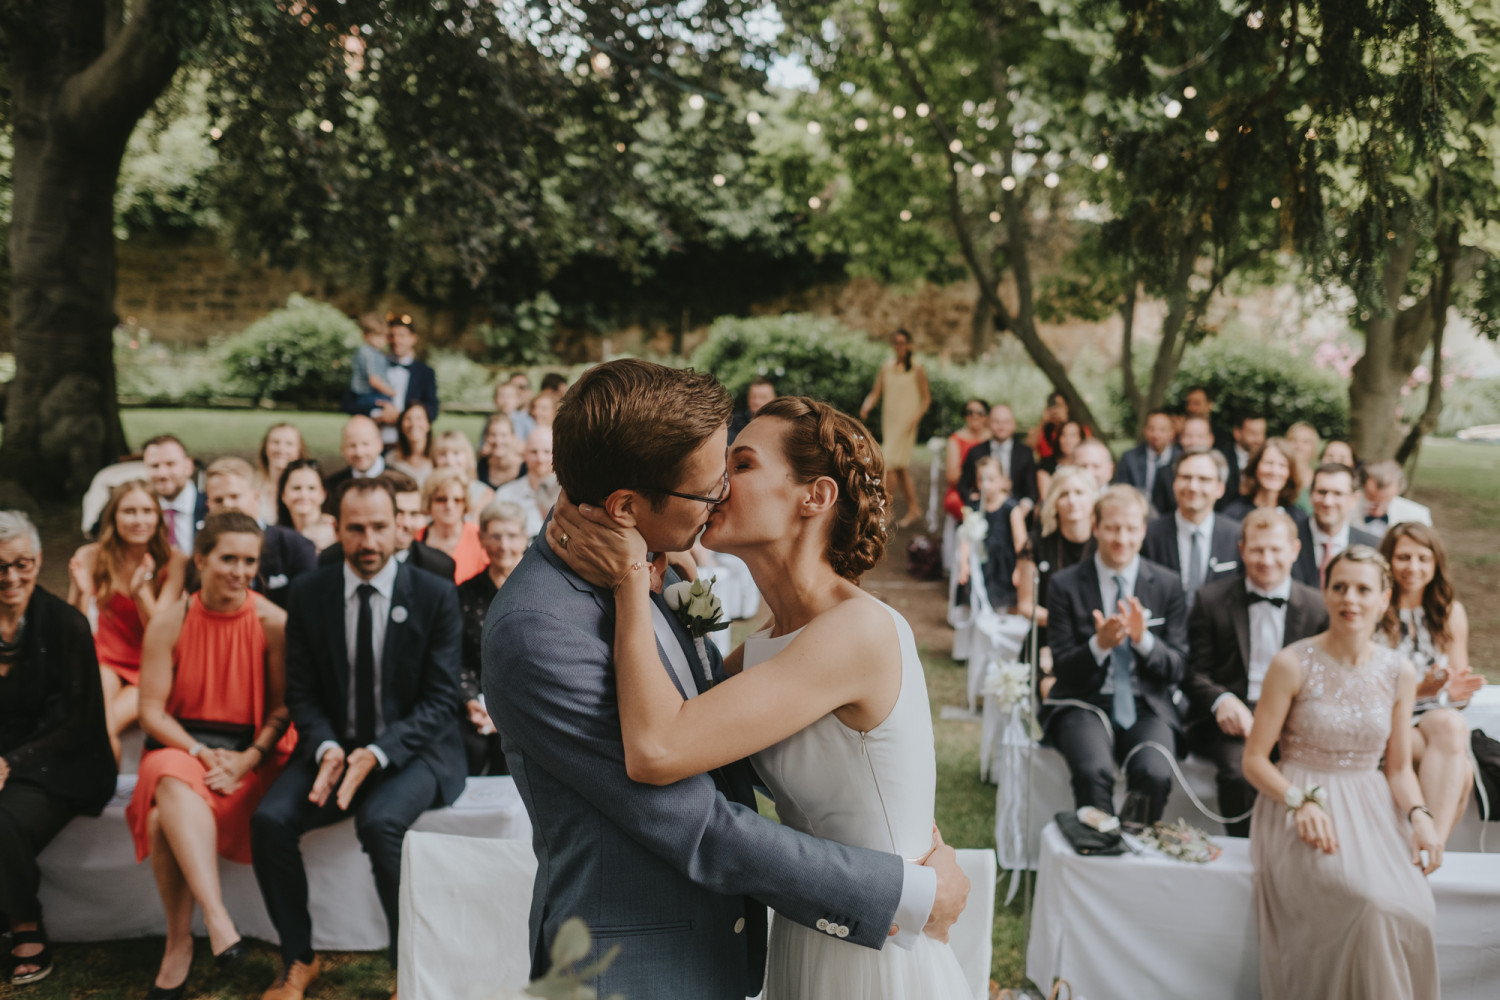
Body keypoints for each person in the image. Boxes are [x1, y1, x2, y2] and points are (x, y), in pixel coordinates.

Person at [485, 360, 968, 999]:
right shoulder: (540, 628)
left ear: (814, 496)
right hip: (635, 970)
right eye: (718, 472)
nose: (720, 489)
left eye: (739, 466)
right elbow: (694, 803)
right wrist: (906, 894)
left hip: (858, 948)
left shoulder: (671, 576)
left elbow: (702, 716)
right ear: (627, 506)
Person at [251, 477, 466, 1000]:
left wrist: (378, 753)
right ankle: (299, 958)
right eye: (355, 529)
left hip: (417, 750)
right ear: (337, 530)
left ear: (400, 528)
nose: (368, 541)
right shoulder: (309, 594)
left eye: (378, 527)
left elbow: (441, 701)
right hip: (334, 748)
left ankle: (407, 969)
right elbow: (301, 694)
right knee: (269, 821)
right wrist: (326, 748)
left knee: (380, 821)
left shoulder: (435, 593)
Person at [1244, 546, 1441, 1000]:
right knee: (1367, 903)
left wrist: (1420, 815)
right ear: (1325, 594)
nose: (1349, 598)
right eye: (1339, 587)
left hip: (1372, 804)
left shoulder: (1399, 671)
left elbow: (1397, 768)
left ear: (1385, 598)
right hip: (1299, 802)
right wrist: (1300, 801)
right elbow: (1254, 760)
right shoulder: (1292, 663)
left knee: (1416, 909)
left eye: (1362, 589)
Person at [127, 513, 291, 999]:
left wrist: (248, 758)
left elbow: (283, 709)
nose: (239, 571)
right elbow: (150, 711)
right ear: (201, 559)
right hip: (180, 746)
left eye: (249, 560)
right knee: (171, 776)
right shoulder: (169, 619)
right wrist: (198, 751)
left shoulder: (272, 622)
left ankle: (179, 943)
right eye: (227, 559)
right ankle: (218, 921)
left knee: (162, 821)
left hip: (245, 758)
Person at [0, 512, 116, 988]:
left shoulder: (66, 624)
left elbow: (77, 721)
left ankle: (25, 924)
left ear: (38, 561)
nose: (10, 577)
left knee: (3, 819)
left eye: (21, 564)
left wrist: (12, 762)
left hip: (64, 763)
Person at [1043, 485, 1189, 823]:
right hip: (1084, 701)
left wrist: (1143, 640)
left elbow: (1178, 666)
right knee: (1093, 770)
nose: (1121, 538)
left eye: (1130, 528)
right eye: (1111, 528)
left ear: (1143, 530)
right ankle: (1098, 845)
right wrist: (1100, 645)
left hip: (1147, 704)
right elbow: (1062, 669)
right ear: (1095, 528)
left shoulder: (1167, 584)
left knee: (1154, 771)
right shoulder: (1064, 584)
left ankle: (1132, 843)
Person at [1183, 510, 1327, 836]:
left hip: (1296, 718)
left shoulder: (1318, 608)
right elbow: (1194, 673)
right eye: (1257, 549)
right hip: (1234, 720)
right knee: (1238, 772)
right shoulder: (1211, 600)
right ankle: (1249, 851)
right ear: (1242, 549)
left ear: (1294, 550)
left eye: (1276, 550)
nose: (1266, 559)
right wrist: (1221, 700)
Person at [68, 480, 189, 760]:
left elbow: (158, 631)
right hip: (107, 658)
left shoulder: (175, 560)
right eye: (129, 511)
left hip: (152, 665)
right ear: (114, 516)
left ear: (158, 517)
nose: (139, 520)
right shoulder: (91, 556)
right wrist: (84, 592)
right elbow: (72, 626)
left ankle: (99, 793)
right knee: (91, 712)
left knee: (104, 725)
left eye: (147, 511)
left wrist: (140, 592)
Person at [1380, 522, 1483, 844]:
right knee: (1462, 772)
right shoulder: (1375, 607)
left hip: (1433, 721)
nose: (1413, 567)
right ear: (1388, 561)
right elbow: (1362, 687)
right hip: (1384, 718)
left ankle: (1426, 846)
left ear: (1435, 563)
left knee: (1451, 725)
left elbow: (1459, 694)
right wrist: (1419, 690)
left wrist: (1452, 694)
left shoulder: (1450, 612)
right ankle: (1429, 849)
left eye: (1423, 558)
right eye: (1403, 557)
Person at [455, 501, 527, 776]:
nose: (504, 545)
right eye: (495, 536)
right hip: (480, 705)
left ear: (524, 538)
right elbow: (457, 657)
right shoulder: (465, 593)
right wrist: (471, 701)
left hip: (531, 702)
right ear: (481, 539)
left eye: (511, 536)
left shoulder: (540, 586)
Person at [204, 459, 318, 608]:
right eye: (218, 500)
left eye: (234, 497)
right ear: (209, 505)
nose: (227, 505)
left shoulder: (296, 546)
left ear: (256, 497)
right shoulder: (203, 551)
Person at [1141, 449, 1241, 609]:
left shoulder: (1237, 535)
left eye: (1204, 479)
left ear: (1220, 489)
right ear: (1174, 483)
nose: (1193, 486)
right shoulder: (1150, 535)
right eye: (1186, 477)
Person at [1015, 467, 1100, 652]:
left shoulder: (1104, 544)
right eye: (1064, 494)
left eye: (1079, 493)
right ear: (1054, 501)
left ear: (1093, 498)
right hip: (1047, 638)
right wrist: (1066, 622)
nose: (1072, 501)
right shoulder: (1035, 545)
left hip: (1097, 637)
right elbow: (1025, 606)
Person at [315, 471, 457, 581]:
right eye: (399, 513)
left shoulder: (438, 567)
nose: (407, 523)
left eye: (413, 514)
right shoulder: (333, 559)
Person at [859, 329, 930, 529]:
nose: (900, 346)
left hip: (906, 425)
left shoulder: (917, 368)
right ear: (893, 345)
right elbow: (875, 393)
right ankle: (914, 508)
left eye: (903, 343)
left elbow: (926, 399)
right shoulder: (886, 367)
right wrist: (867, 406)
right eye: (896, 343)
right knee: (900, 467)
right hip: (890, 423)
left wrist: (915, 419)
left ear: (909, 345)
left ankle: (885, 511)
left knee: (889, 464)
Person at [1294, 462, 1381, 588]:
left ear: (1354, 499)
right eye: (1322, 492)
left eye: (1338, 494)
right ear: (1311, 494)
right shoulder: (1289, 537)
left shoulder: (1372, 547)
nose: (1328, 502)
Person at [954, 458, 1023, 612]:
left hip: (1004, 566)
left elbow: (1021, 542)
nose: (985, 485)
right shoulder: (974, 507)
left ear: (1003, 481)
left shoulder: (1011, 509)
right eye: (981, 480)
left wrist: (1019, 569)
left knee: (1001, 608)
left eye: (991, 480)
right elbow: (966, 537)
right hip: (980, 564)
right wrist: (964, 562)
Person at [1221, 437, 1310, 533]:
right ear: (1255, 467)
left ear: (1290, 473)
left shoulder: (1299, 518)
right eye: (1269, 463)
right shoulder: (1233, 514)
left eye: (1282, 465)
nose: (1274, 471)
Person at [958, 403, 1038, 507]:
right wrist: (972, 498)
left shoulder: (1025, 453)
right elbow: (963, 485)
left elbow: (1032, 491)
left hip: (1016, 507)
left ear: (1013, 424)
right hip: (985, 507)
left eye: (1006, 422)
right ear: (988, 423)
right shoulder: (976, 452)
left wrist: (1025, 507)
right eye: (996, 422)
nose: (1001, 426)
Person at [418, 468, 488, 583]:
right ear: (429, 502)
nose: (449, 506)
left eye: (457, 500)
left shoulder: (480, 537)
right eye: (441, 499)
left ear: (465, 503)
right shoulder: (416, 537)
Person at [379, 314, 439, 449]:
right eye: (391, 335)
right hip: (376, 440)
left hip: (410, 444)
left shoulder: (425, 372)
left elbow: (433, 410)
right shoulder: (376, 366)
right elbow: (350, 402)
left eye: (401, 336)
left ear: (413, 338)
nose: (396, 340)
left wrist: (400, 418)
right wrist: (377, 414)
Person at [143, 435, 205, 555]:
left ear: (188, 466)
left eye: (170, 464)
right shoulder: (134, 508)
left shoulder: (211, 506)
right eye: (154, 466)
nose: (162, 474)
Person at [492, 427, 556, 539]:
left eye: (546, 452)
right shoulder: (505, 494)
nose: (540, 459)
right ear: (524, 455)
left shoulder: (568, 494)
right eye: (534, 452)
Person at [1114, 410, 1179, 516]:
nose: (1156, 434)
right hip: (1137, 512)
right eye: (1151, 429)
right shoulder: (1130, 458)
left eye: (1162, 430)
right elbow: (1122, 489)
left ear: (1172, 433)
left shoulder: (1180, 458)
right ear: (1145, 430)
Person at [321, 416, 387, 516]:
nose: (359, 452)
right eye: (352, 445)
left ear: (379, 445)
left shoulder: (398, 481)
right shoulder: (332, 485)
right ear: (342, 448)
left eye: (365, 444)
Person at [1356, 460, 1434, 537]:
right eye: (1371, 498)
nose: (1377, 511)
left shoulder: (1417, 516)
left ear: (1398, 491)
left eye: (1385, 501)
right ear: (1363, 487)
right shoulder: (1348, 508)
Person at [942, 399, 991, 520]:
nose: (975, 416)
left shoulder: (993, 438)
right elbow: (952, 478)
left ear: (986, 416)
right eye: (970, 412)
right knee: (953, 502)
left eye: (979, 412)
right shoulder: (956, 439)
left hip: (989, 485)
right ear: (965, 416)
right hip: (962, 488)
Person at [277, 459, 339, 553]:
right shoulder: (275, 536)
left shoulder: (336, 531)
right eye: (296, 488)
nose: (303, 495)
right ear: (283, 495)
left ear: (322, 494)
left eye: (311, 488)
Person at [343, 312, 398, 417]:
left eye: (383, 337)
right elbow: (374, 380)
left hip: (370, 394)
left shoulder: (376, 353)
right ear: (365, 335)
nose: (381, 341)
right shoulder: (367, 352)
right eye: (377, 336)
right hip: (365, 394)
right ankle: (375, 413)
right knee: (387, 400)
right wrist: (390, 391)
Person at [431, 429, 494, 516]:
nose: (450, 460)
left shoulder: (485, 494)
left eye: (456, 453)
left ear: (467, 456)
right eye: (443, 454)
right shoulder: (427, 492)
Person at [257, 424, 309, 525]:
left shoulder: (309, 487)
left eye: (289, 444)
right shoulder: (252, 484)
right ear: (265, 448)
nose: (281, 449)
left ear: (299, 450)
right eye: (275, 442)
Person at [1219, 414, 1267, 511]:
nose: (1258, 439)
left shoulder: (1268, 460)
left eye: (1261, 433)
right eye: (1253, 433)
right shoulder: (1222, 458)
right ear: (1237, 433)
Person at [387, 402, 434, 487]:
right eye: (408, 419)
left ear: (428, 425)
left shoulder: (439, 456)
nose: (413, 424)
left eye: (419, 418)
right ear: (401, 426)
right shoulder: (391, 459)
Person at [1035, 420, 1084, 500]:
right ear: (1058, 439)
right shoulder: (1046, 465)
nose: (1068, 440)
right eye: (1063, 435)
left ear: (1081, 439)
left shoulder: (1087, 464)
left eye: (1073, 435)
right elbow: (1046, 498)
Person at [476, 413, 524, 489]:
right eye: (493, 435)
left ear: (513, 437)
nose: (498, 441)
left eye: (503, 435)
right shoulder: (480, 466)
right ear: (486, 437)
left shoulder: (525, 468)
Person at [1284, 421, 1321, 511]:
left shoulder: (1318, 478)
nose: (1299, 446)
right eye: (1293, 440)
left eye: (1306, 442)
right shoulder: (1279, 474)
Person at [728, 377, 777, 443]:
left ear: (774, 399)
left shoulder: (781, 424)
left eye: (763, 397)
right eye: (753, 397)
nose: (756, 401)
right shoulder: (734, 422)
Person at [1029, 390, 1068, 462]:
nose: (1055, 411)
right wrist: (1042, 422)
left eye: (1059, 406)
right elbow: (1028, 450)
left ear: (1067, 407)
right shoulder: (1043, 432)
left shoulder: (1080, 430)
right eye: (1052, 406)